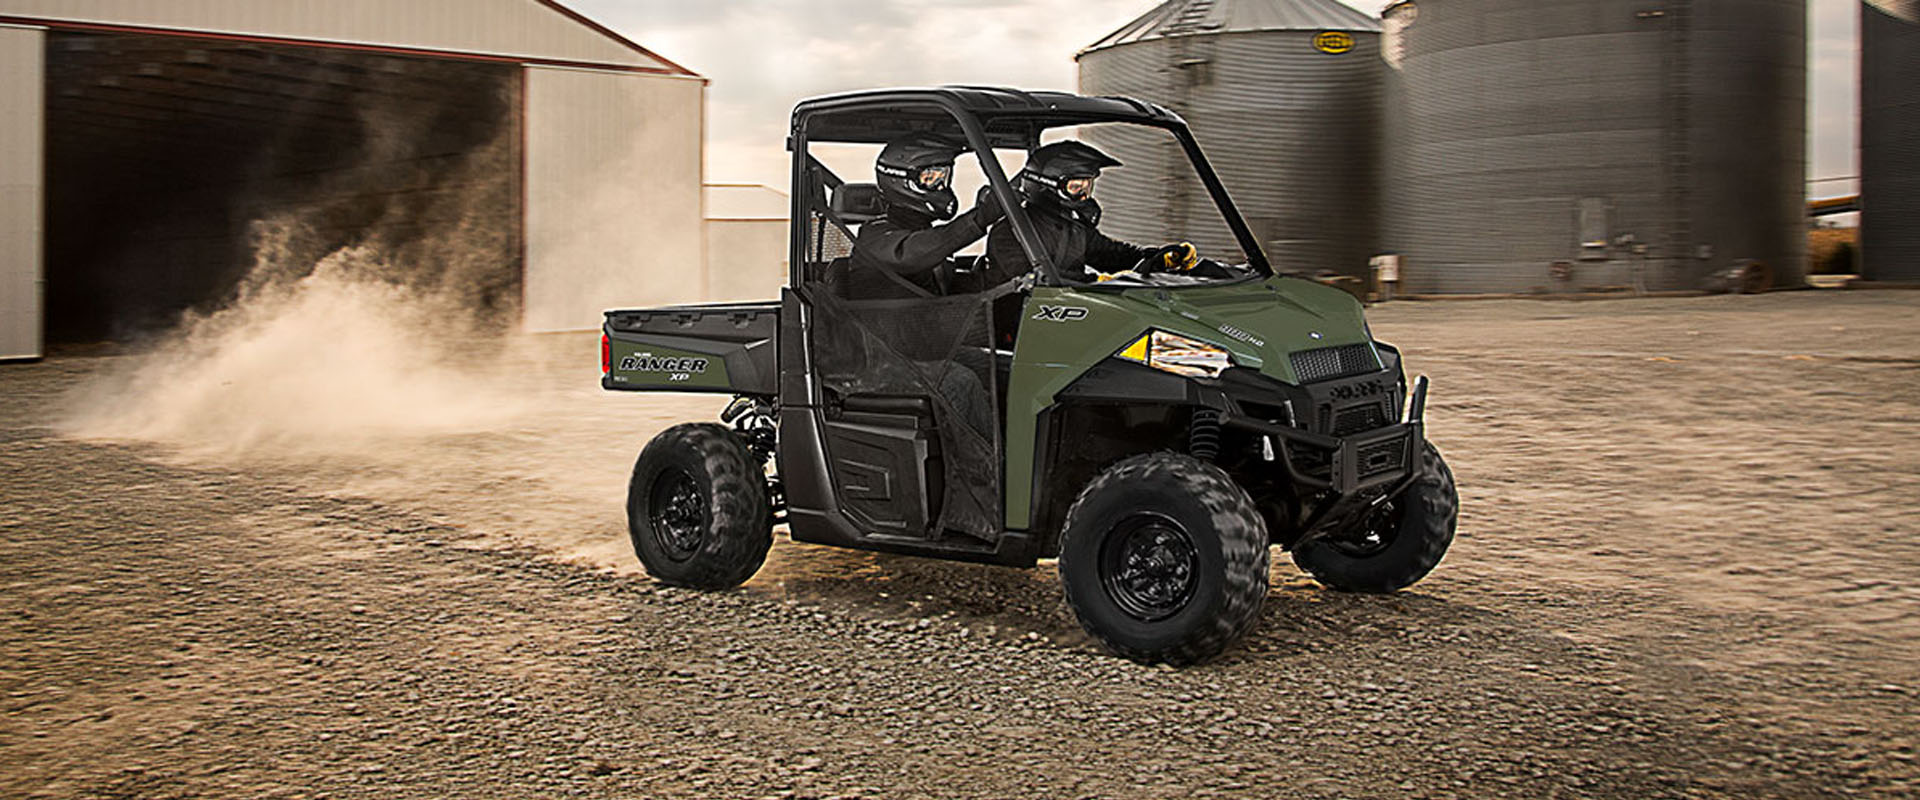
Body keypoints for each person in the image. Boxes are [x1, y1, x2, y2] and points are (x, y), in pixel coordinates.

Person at [985, 141, 1221, 283]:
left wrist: (1157, 258)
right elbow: (1035, 282)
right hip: (1016, 328)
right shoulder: (1009, 232)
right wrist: (1095, 281)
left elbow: (1111, 254)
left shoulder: (1075, 228)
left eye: (1088, 185)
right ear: (1045, 185)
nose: (1085, 195)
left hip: (1065, 318)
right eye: (1076, 187)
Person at [843, 135, 1007, 300]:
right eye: (930, 179)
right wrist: (981, 217)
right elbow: (915, 252)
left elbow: (949, 290)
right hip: (887, 325)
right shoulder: (875, 237)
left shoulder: (925, 236)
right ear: (900, 181)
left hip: (930, 321)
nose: (941, 187)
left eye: (944, 177)